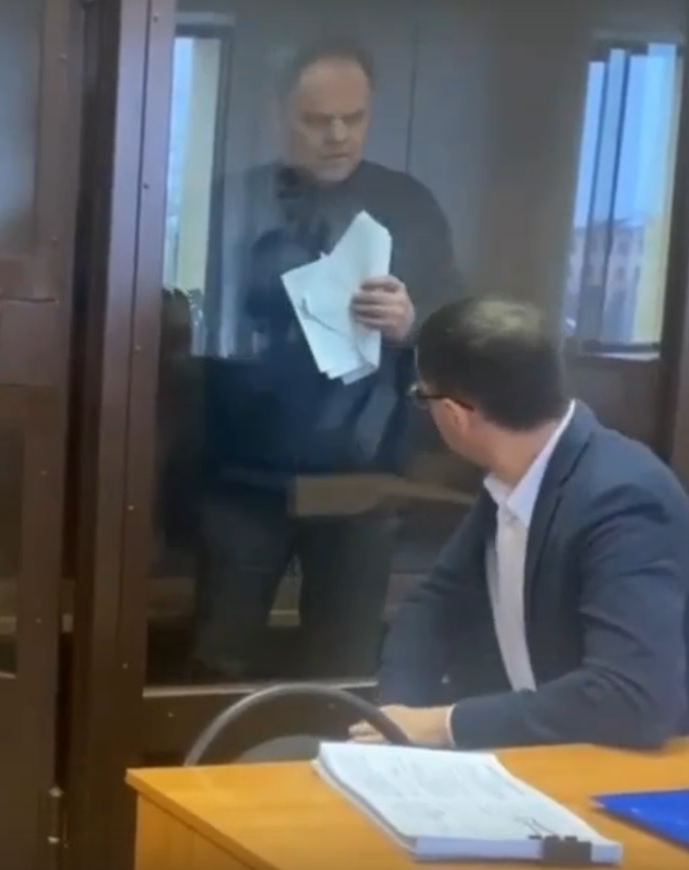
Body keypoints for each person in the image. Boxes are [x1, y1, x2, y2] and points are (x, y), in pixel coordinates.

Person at [190, 36, 463, 681]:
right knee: (219, 656)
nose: (338, 135)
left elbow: (458, 334)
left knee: (346, 661)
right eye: (317, 120)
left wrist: (411, 323)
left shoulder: (410, 206)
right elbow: (178, 317)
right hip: (242, 470)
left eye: (354, 118)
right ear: (279, 113)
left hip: (362, 476)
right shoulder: (233, 200)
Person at [355, 298, 689, 750]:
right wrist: (396, 718)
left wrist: (443, 724)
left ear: (454, 414)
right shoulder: (515, 477)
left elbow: (631, 697)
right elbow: (435, 604)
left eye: (421, 396)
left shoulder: (623, 497)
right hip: (536, 755)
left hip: (623, 769)